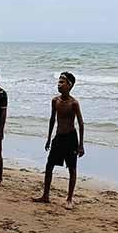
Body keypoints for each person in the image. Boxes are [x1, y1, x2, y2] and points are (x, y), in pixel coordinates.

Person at [33, 72, 85, 210]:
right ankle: (45, 195)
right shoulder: (55, 101)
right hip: (58, 137)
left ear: (70, 85)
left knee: (72, 168)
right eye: (58, 82)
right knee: (49, 165)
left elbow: (81, 123)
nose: (59, 85)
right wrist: (49, 139)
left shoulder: (74, 103)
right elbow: (52, 120)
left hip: (70, 138)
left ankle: (69, 199)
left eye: (62, 82)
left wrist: (81, 145)